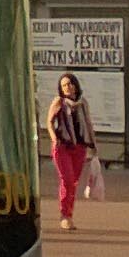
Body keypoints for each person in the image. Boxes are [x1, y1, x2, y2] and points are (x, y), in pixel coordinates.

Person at [47, 73, 96, 230]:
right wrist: (54, 138)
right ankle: (65, 215)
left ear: (75, 85)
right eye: (64, 85)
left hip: (79, 147)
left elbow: (88, 123)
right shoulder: (59, 102)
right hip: (63, 146)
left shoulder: (82, 103)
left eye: (69, 84)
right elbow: (49, 122)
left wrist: (93, 145)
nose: (67, 87)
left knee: (73, 182)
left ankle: (69, 215)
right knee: (67, 180)